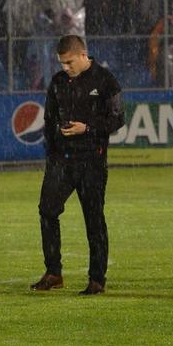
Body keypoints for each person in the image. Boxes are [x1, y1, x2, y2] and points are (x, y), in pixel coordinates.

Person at [30, 35, 125, 296]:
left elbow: (117, 119)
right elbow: (49, 120)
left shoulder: (105, 80)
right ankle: (53, 272)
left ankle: (97, 279)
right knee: (47, 211)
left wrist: (88, 128)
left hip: (92, 161)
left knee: (94, 219)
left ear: (83, 56)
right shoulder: (58, 82)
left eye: (69, 62)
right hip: (62, 161)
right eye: (62, 63)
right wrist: (51, 154)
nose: (65, 68)